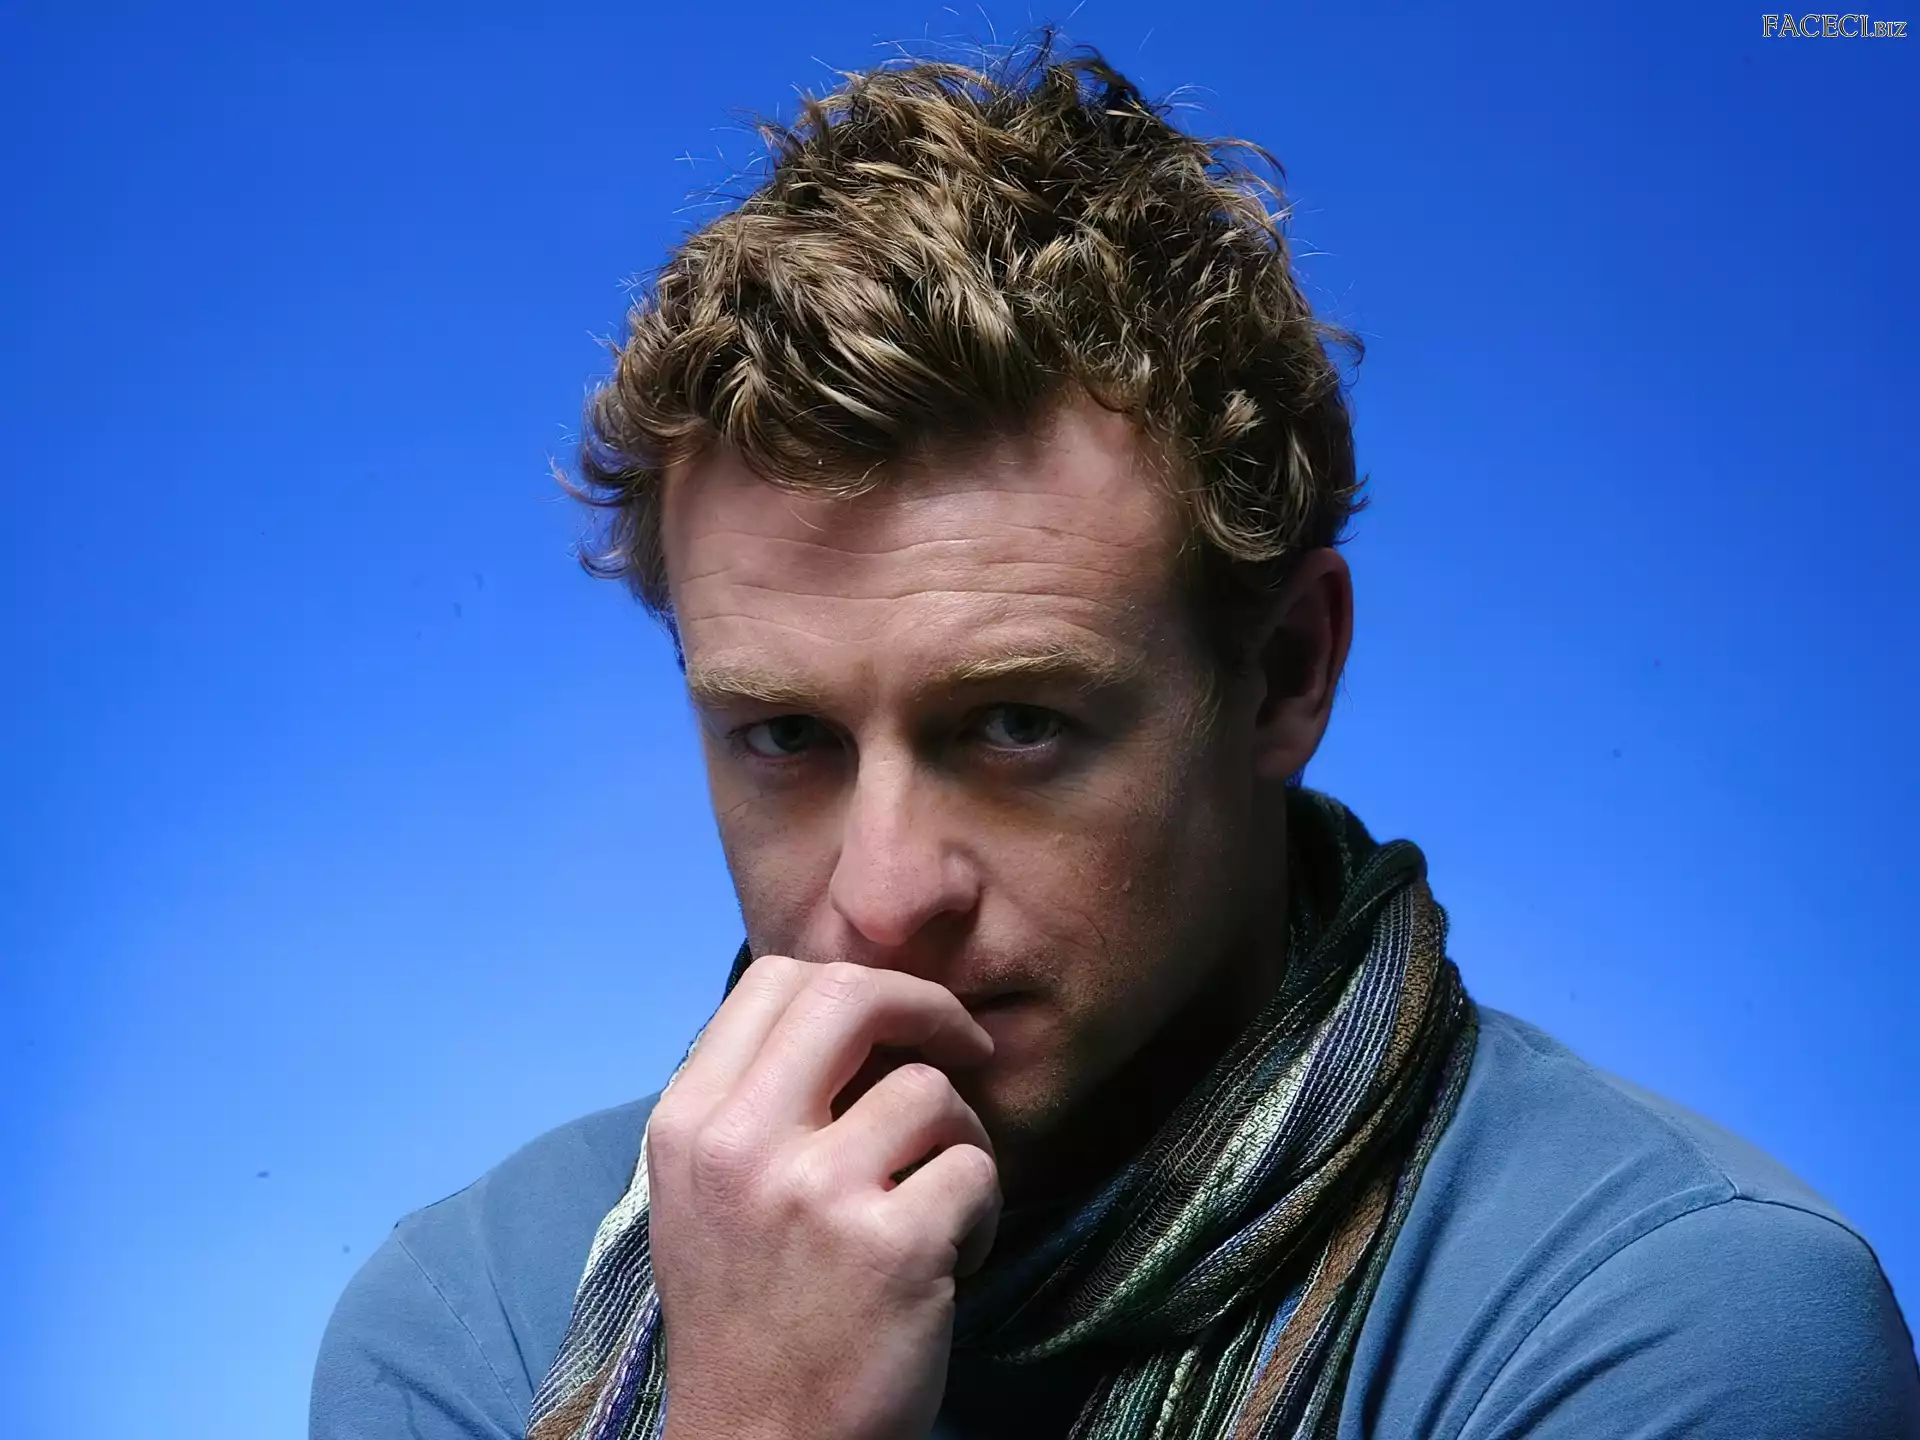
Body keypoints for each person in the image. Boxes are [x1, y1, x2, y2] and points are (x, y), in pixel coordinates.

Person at [309, 43, 1920, 1440]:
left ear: (1286, 671)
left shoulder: (1676, 1323)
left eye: (1017, 724)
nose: (884, 896)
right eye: (785, 735)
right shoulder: (477, 1318)